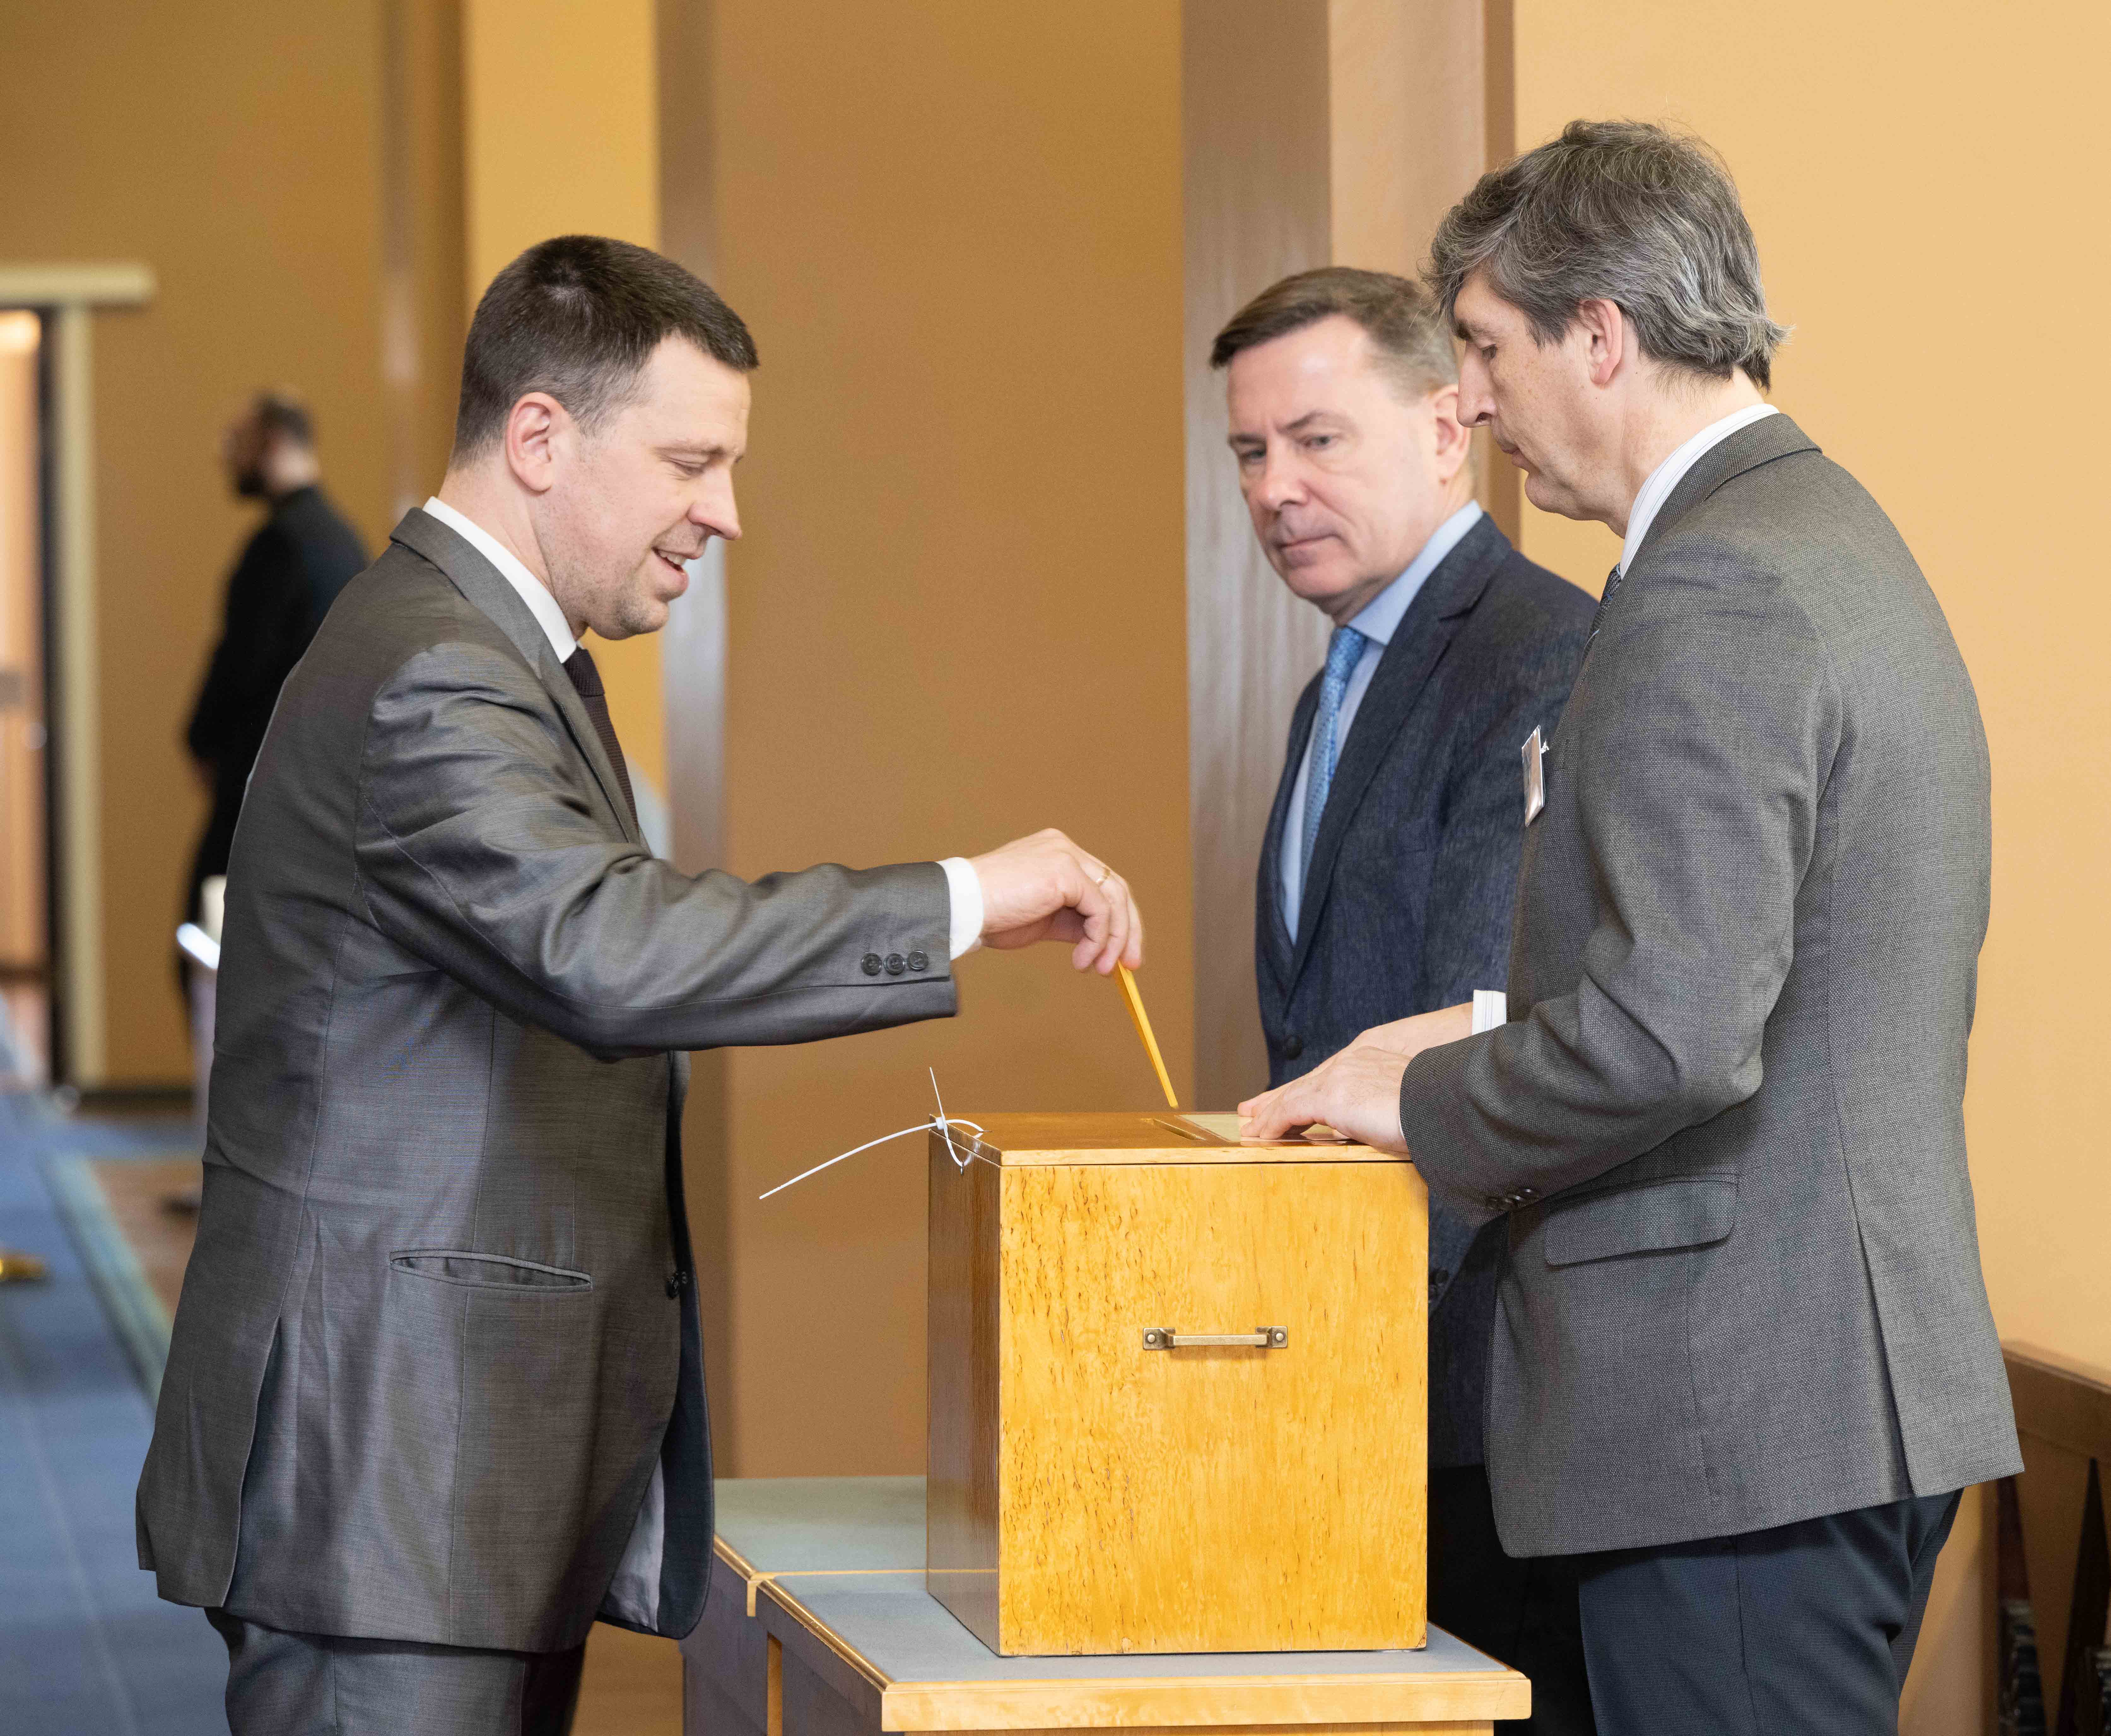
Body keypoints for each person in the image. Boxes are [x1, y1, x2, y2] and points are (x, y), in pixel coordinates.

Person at [137, 235, 1146, 1736]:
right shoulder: (434, 666)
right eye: (691, 462)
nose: (723, 512)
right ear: (540, 437)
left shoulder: (492, 648)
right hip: (387, 1479)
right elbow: (607, 948)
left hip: (439, 1481)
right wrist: (961, 896)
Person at [1239, 122, 2019, 1733]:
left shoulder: (1711, 585)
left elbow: (1671, 1032)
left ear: (1598, 334)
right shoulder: (1815, 532)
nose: (1469, 401)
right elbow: (1764, 973)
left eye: (1484, 349)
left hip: (1731, 1420)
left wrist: (1414, 1100)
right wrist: (1473, 1032)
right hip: (1814, 1400)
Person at [1212, 267, 1593, 1731]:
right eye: (1249, 452)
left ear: (1446, 429)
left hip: (1473, 1402)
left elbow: (1476, 1027)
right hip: (1361, 1388)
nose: (1275, 488)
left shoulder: (1530, 653)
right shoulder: (1336, 684)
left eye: (1317, 440)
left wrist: (1333, 1373)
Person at [182, 391, 368, 933]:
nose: (226, 455)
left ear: (274, 443)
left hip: (260, 787)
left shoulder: (280, 544)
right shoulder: (343, 539)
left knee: (210, 944)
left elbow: (242, 665)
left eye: (240, 441)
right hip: (321, 794)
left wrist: (200, 739)